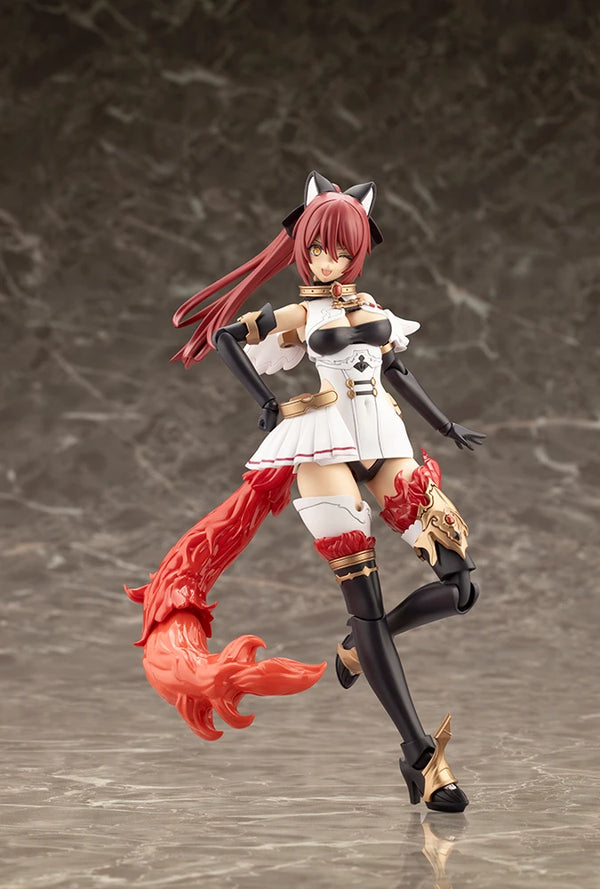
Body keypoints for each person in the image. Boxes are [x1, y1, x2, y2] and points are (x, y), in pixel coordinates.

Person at [126, 171, 485, 813]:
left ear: (358, 252)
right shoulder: (301, 314)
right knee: (366, 602)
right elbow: (226, 336)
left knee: (460, 585)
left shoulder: (373, 308)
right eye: (318, 248)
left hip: (387, 443)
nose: (328, 260)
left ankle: (359, 647)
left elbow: (397, 368)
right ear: (302, 248)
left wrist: (445, 425)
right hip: (324, 448)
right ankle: (419, 754)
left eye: (341, 251)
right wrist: (266, 402)